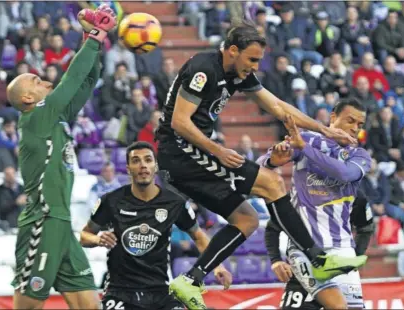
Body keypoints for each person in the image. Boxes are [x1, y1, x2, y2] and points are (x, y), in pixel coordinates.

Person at [156, 22, 367, 309]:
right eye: (251, 59)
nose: (254, 66)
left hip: (193, 154)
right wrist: (217, 150)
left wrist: (325, 130)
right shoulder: (204, 69)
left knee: (247, 220)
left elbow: (279, 107)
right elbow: (178, 122)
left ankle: (190, 280)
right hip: (179, 154)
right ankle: (318, 259)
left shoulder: (237, 73)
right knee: (272, 183)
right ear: (233, 50)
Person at [5, 5, 116, 309]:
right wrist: (96, 35)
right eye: (37, 83)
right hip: (42, 219)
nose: (46, 83)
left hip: (62, 221)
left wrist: (89, 40)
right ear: (28, 98)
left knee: (89, 305)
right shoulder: (37, 116)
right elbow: (71, 78)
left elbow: (87, 80)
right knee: (28, 304)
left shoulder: (56, 116)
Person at [81, 141, 232, 310]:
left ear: (155, 166)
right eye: (136, 161)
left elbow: (198, 236)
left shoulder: (174, 202)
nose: (143, 165)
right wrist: (97, 238)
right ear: (128, 168)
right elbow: (84, 236)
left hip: (160, 292)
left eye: (147, 160)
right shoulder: (111, 200)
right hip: (120, 292)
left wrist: (218, 265)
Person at [257, 99, 375, 309]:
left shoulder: (360, 155)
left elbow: (345, 173)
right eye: (350, 121)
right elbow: (260, 167)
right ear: (332, 117)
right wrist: (273, 160)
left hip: (342, 251)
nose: (355, 128)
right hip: (305, 250)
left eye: (360, 125)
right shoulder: (308, 139)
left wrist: (304, 149)